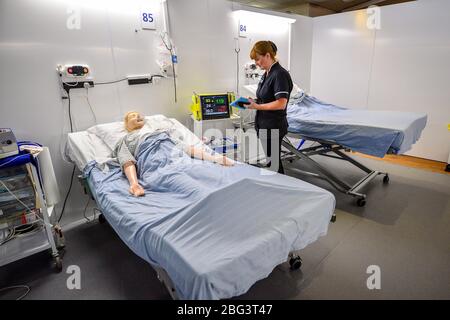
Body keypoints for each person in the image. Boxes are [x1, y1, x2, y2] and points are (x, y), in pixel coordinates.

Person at [113, 111, 234, 197]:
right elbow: (127, 161)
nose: (138, 116)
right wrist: (134, 184)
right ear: (127, 124)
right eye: (133, 116)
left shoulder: (160, 132)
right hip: (158, 166)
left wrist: (216, 158)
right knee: (198, 191)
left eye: (139, 115)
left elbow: (187, 149)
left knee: (221, 181)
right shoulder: (125, 140)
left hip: (182, 161)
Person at [246, 41, 293, 174]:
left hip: (273, 125)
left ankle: (282, 189)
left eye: (258, 59)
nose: (256, 63)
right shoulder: (267, 74)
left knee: (274, 164)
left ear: (267, 55)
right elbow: (265, 98)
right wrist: (252, 102)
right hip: (264, 124)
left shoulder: (279, 74)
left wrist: (257, 106)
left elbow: (281, 103)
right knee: (272, 161)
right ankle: (279, 187)